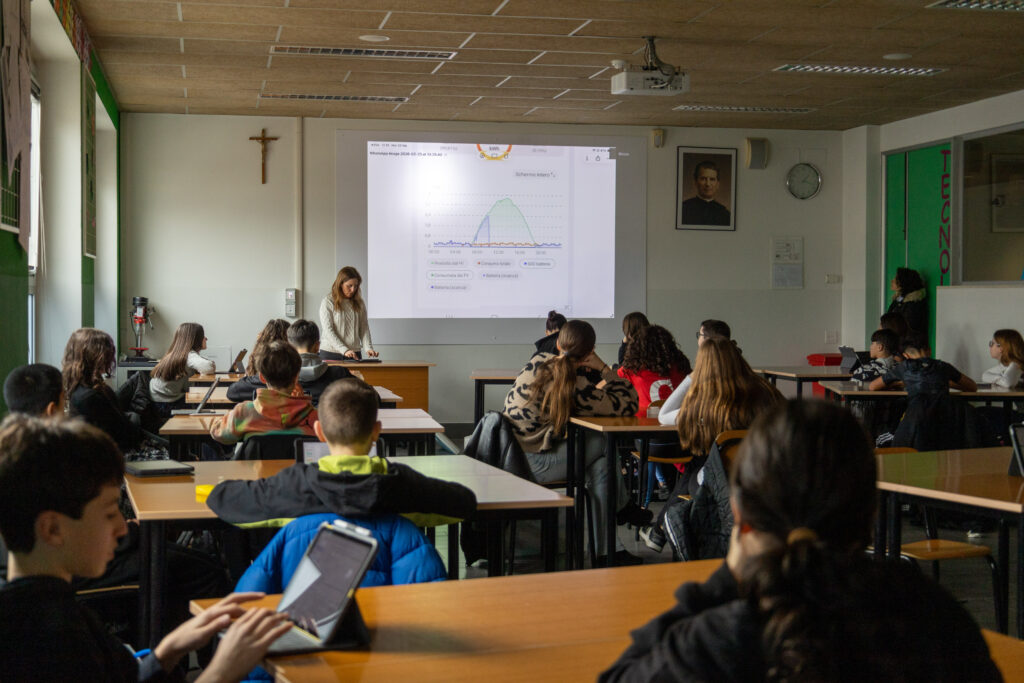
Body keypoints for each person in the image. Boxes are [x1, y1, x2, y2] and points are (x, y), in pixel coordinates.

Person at [601, 399, 1000, 682]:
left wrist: (727, 578)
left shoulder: (718, 640)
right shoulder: (932, 617)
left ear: (740, 514)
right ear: (870, 511)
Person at [0, 414, 293, 682]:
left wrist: (167, 652)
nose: (122, 527)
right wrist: (221, 672)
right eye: (109, 513)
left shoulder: (48, 612)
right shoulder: (45, 643)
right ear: (52, 529)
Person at [206, 378, 476, 532]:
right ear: (376, 431)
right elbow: (464, 501)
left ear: (319, 432)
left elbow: (222, 499)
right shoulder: (402, 484)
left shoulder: (293, 484)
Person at [502, 319, 647, 566]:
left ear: (558, 343)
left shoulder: (537, 362)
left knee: (601, 467)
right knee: (602, 442)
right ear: (590, 351)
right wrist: (604, 368)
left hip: (512, 455)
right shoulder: (574, 385)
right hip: (529, 463)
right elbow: (629, 403)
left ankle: (607, 552)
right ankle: (623, 507)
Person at [641, 337, 783, 553]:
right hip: (766, 476)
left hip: (721, 482)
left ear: (702, 367)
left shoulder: (705, 406)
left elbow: (663, 415)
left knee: (696, 467)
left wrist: (690, 378)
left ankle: (664, 531)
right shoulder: (767, 393)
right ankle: (660, 531)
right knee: (697, 464)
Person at [617, 325, 692, 506]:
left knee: (631, 440)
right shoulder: (681, 368)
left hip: (650, 444)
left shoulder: (632, 370)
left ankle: (641, 504)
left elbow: (607, 384)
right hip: (682, 442)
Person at [869, 333, 980, 450]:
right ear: (929, 350)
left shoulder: (905, 367)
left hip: (916, 423)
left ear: (906, 355)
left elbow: (873, 386)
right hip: (946, 425)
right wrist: (945, 380)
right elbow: (972, 386)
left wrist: (900, 382)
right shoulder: (943, 366)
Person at [210, 341, 317, 446]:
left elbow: (217, 433)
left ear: (262, 377)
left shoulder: (244, 413)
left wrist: (215, 421)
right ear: (297, 376)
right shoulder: (315, 418)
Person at [225, 319, 354, 406]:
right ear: (317, 346)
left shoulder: (274, 374)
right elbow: (366, 396)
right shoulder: (339, 374)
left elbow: (233, 392)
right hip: (324, 436)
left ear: (289, 346)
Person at [62, 328, 149, 451]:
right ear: (94, 357)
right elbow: (122, 437)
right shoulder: (90, 397)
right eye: (108, 355)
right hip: (122, 453)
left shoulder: (81, 390)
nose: (111, 359)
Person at [657, 318, 731, 426]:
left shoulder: (703, 409)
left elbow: (663, 416)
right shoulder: (746, 393)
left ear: (706, 341)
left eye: (699, 335)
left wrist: (695, 374)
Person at [149, 322, 215, 416]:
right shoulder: (189, 355)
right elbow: (209, 367)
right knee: (210, 404)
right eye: (203, 336)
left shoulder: (176, 353)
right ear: (196, 339)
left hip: (156, 402)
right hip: (167, 405)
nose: (206, 338)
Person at [319, 266, 377, 360]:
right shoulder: (328, 302)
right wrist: (344, 350)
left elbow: (364, 328)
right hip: (331, 353)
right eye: (349, 286)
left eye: (356, 286)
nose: (353, 289)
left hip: (354, 353)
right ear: (340, 284)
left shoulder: (359, 303)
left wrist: (368, 348)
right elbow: (328, 330)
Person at [680, 160, 730, 226]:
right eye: (703, 179)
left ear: (718, 184)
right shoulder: (683, 209)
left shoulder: (725, 214)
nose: (708, 184)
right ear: (695, 182)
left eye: (712, 179)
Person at [887, 267, 928, 337]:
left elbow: (906, 330)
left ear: (903, 283)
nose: (892, 281)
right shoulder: (900, 299)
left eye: (896, 279)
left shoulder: (913, 305)